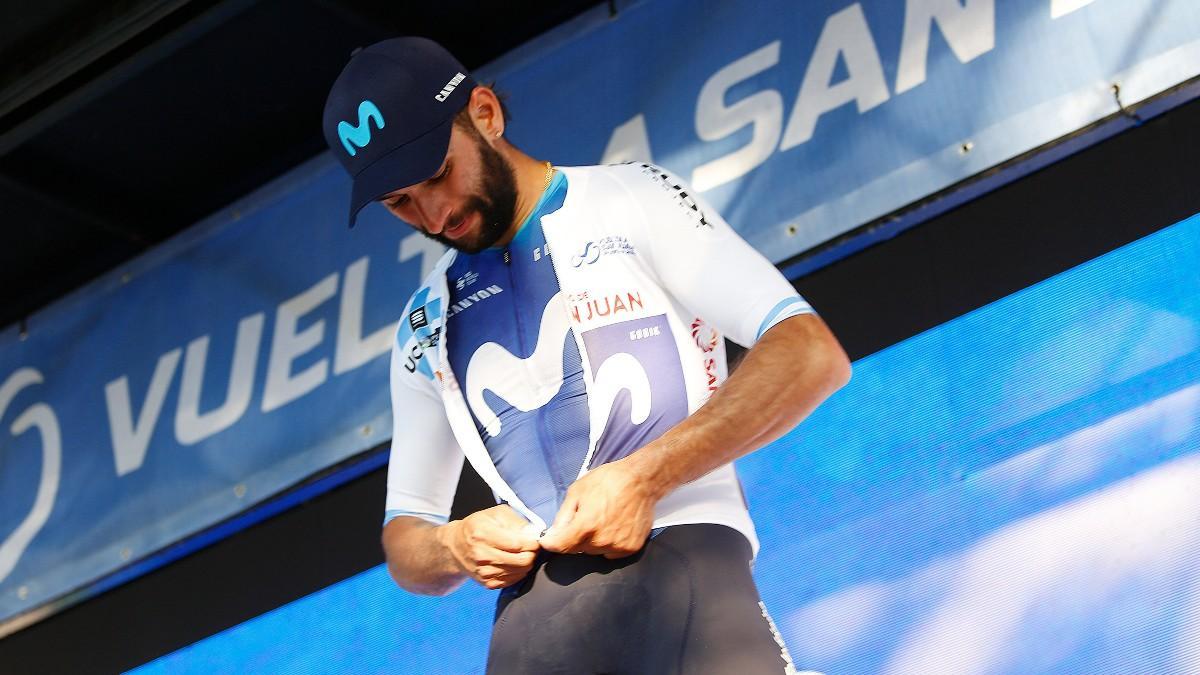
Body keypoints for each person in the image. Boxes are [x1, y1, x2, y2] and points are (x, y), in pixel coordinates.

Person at [322, 37, 851, 674]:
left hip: (681, 562)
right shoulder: (422, 324)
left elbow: (807, 353)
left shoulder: (629, 197)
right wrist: (453, 545)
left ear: (485, 114)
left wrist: (644, 477)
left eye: (438, 174)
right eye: (399, 202)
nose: (434, 212)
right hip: (529, 634)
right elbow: (406, 538)